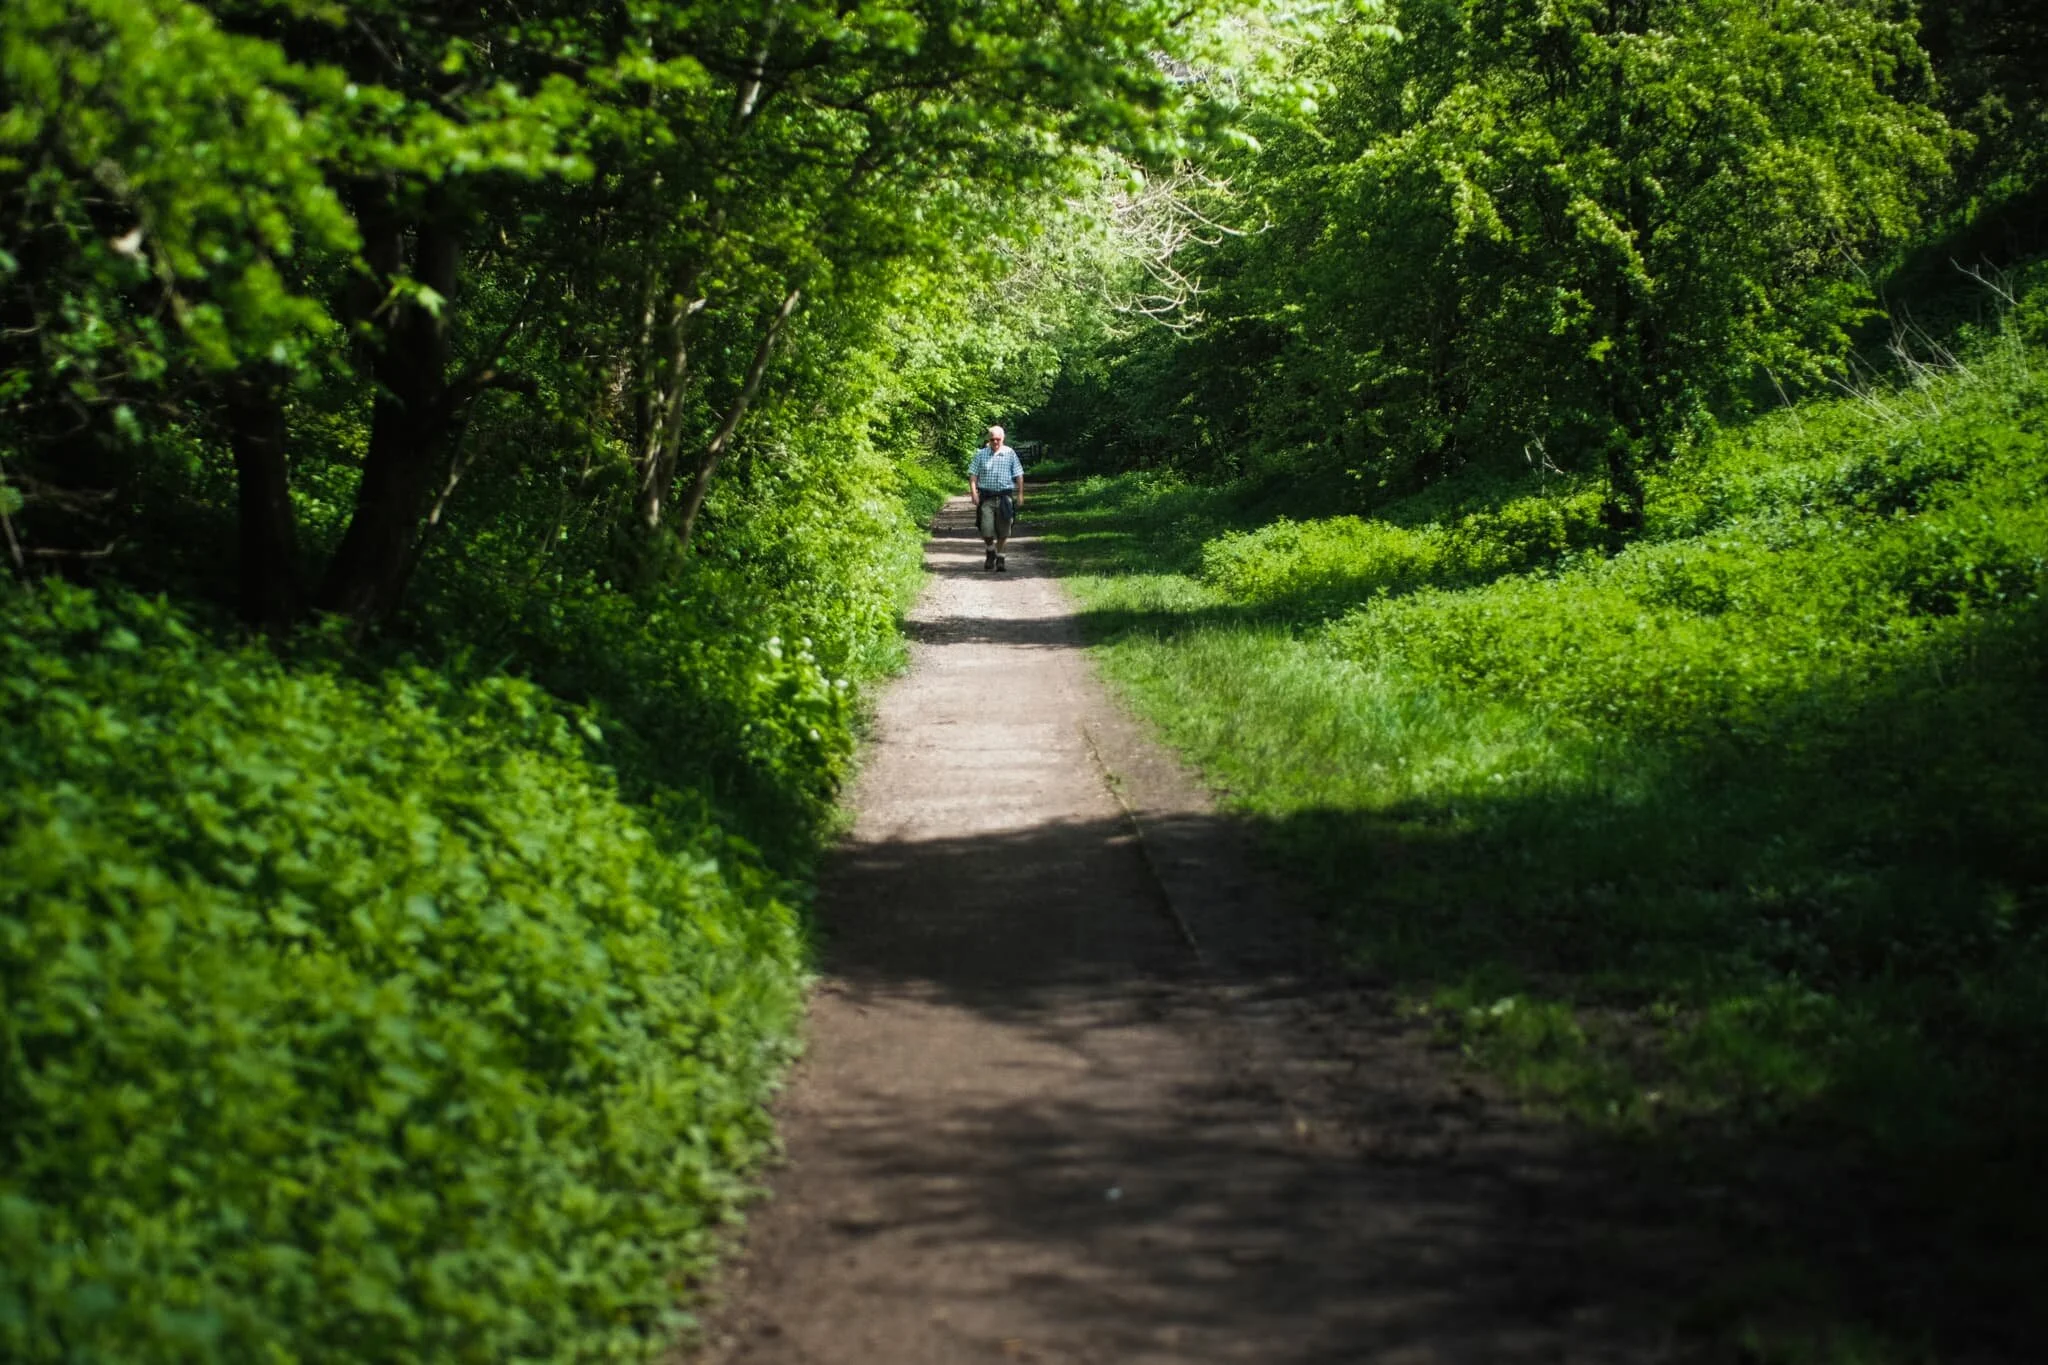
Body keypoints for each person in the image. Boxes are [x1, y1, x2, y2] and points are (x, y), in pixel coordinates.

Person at [968, 425, 1025, 571]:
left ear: (1003, 439)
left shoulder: (1010, 453)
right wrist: (974, 493)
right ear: (988, 439)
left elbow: (1019, 474)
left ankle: (1000, 558)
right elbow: (973, 475)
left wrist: (1020, 494)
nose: (995, 442)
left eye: (998, 439)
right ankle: (990, 550)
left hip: (1005, 497)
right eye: (992, 439)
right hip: (986, 498)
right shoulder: (981, 454)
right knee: (986, 529)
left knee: (1004, 530)